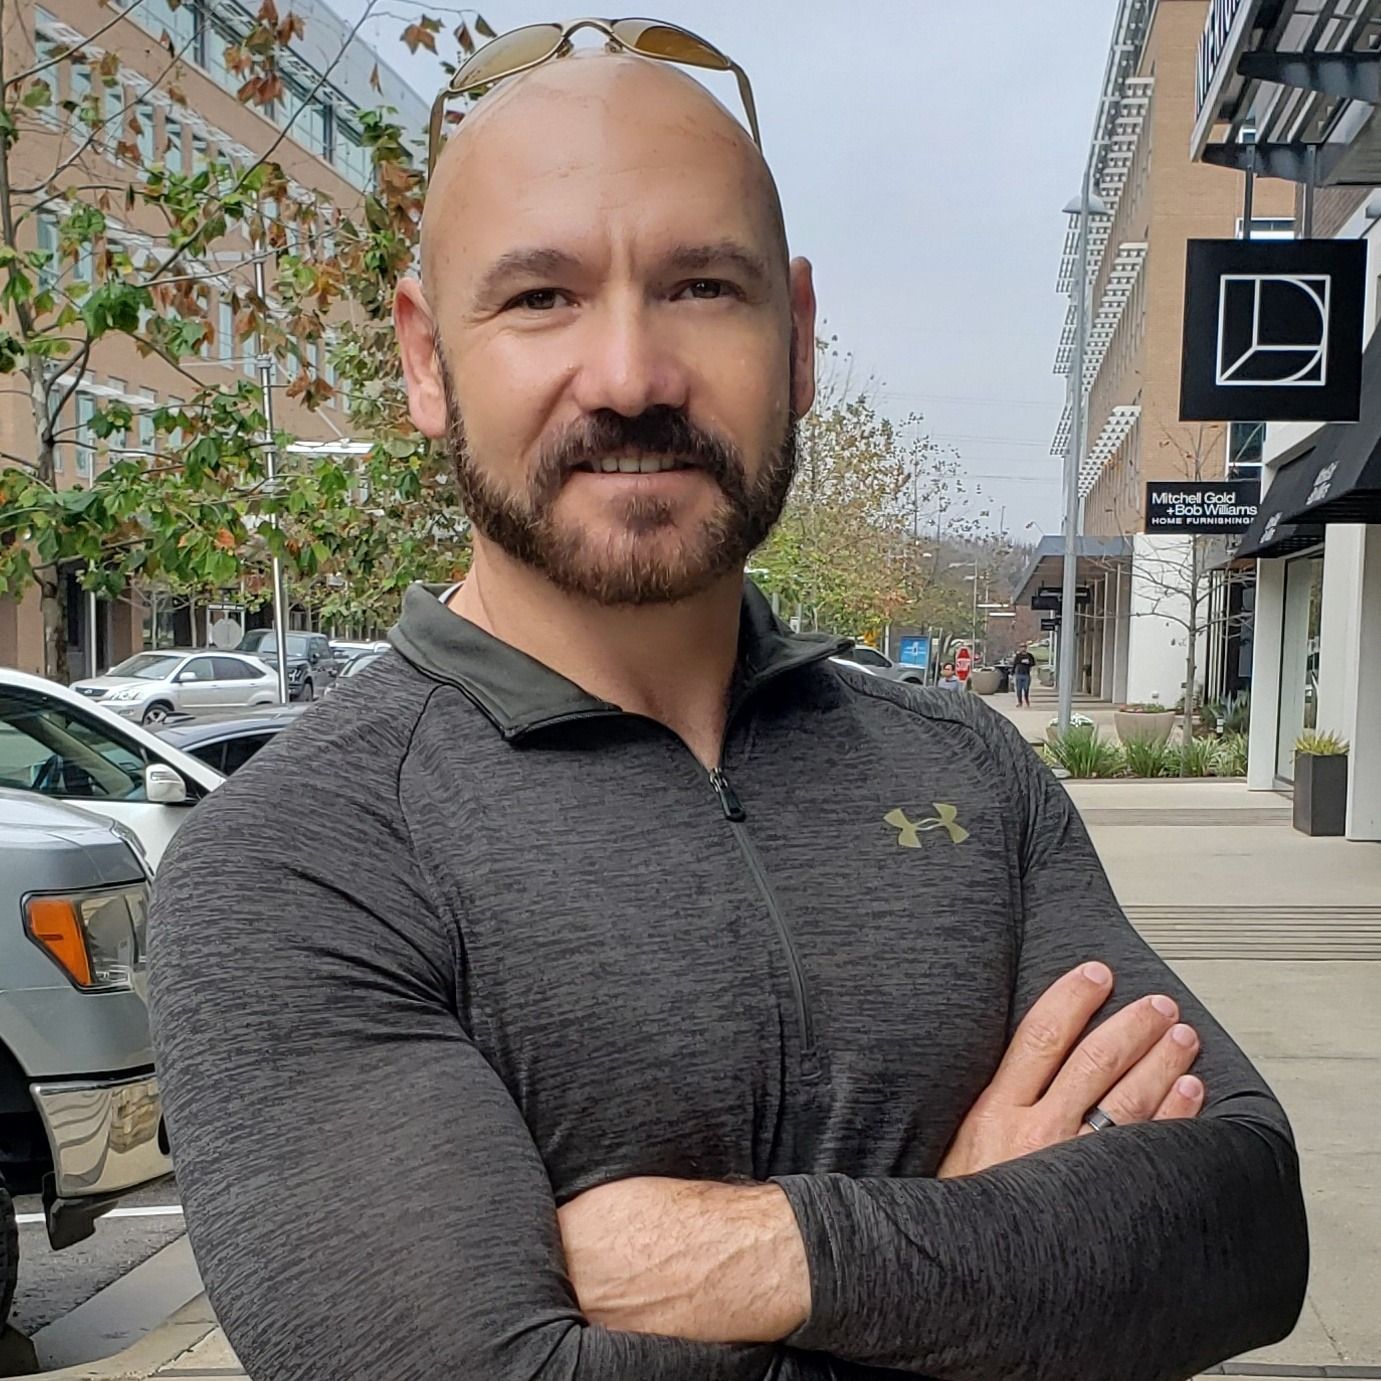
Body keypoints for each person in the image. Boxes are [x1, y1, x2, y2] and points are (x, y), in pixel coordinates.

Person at [147, 26, 1306, 1381]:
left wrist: (777, 1257)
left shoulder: (969, 779)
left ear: (798, 340)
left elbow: (1241, 1222)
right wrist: (994, 1257)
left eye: (702, 286)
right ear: (424, 360)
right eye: (540, 299)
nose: (632, 375)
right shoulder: (297, 866)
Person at [1012, 641, 1038, 706]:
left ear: (1026, 648)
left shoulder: (1029, 656)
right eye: (1021, 647)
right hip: (1019, 674)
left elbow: (1033, 664)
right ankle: (1020, 702)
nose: (1023, 648)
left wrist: (1028, 663)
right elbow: (1015, 664)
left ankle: (1026, 700)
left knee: (1026, 689)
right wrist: (1012, 673)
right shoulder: (1018, 656)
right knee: (1019, 689)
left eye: (1024, 647)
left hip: (1026, 674)